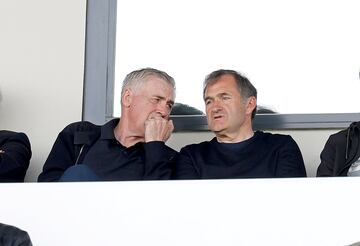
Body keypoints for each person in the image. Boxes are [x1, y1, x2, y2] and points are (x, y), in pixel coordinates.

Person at [38, 68, 177, 181]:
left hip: (133, 215)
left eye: (169, 105)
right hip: (72, 213)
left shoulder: (169, 158)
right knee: (79, 174)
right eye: (157, 100)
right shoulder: (80, 135)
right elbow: (46, 192)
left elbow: (160, 207)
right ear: (127, 98)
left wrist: (155, 146)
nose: (164, 111)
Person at [173, 69, 306, 179]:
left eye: (225, 98)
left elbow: (291, 202)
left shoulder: (280, 148)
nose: (215, 107)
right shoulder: (191, 156)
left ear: (249, 105)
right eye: (209, 101)